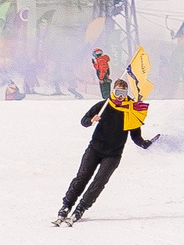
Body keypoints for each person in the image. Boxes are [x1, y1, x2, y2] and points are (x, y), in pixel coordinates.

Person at [55, 77, 155, 225]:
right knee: (82, 177)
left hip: (113, 154)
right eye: (117, 92)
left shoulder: (130, 110)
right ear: (113, 91)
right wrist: (91, 120)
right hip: (95, 149)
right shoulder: (103, 105)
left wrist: (144, 143)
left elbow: (135, 135)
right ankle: (66, 206)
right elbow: (84, 121)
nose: (120, 96)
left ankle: (81, 208)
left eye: (123, 92)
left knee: (99, 182)